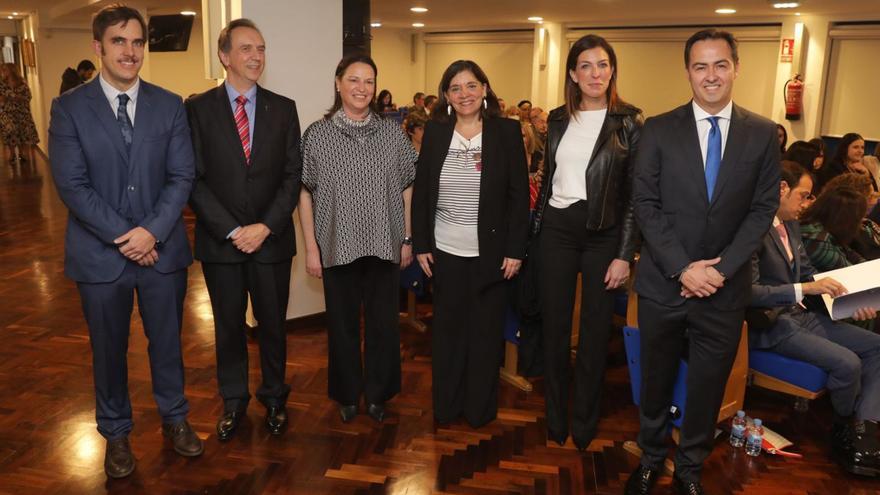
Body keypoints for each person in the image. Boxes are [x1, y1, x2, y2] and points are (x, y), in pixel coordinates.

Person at [48, 5, 203, 479]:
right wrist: (126, 236)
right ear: (98, 46)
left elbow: (182, 176)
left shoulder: (169, 104)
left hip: (162, 252)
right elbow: (72, 185)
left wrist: (151, 231)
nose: (130, 51)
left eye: (137, 42)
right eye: (119, 41)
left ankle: (175, 419)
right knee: (109, 348)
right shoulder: (69, 107)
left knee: (168, 344)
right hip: (100, 257)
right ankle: (116, 433)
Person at [628, 29, 779, 495]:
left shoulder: (761, 133)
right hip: (664, 284)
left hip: (724, 290)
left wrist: (719, 270)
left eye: (720, 65)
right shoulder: (658, 128)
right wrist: (684, 268)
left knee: (708, 388)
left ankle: (689, 471)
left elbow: (762, 208)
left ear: (736, 67)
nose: (710, 75)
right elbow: (645, 204)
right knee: (655, 382)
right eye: (700, 66)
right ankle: (652, 459)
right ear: (688, 72)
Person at [186, 18, 302, 441]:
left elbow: (293, 176)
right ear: (224, 56)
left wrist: (265, 226)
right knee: (228, 326)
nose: (256, 56)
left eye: (261, 48)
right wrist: (234, 230)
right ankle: (234, 401)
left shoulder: (283, 107)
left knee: (273, 325)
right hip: (222, 245)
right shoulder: (197, 109)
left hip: (271, 243)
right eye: (247, 48)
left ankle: (274, 398)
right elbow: (192, 178)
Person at [530, 34, 642, 451]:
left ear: (612, 71)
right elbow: (547, 183)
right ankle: (556, 419)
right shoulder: (558, 119)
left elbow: (634, 197)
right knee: (555, 329)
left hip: (604, 234)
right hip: (558, 229)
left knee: (595, 334)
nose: (596, 73)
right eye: (586, 66)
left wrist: (624, 254)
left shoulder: (630, 121)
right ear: (573, 75)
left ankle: (585, 422)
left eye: (603, 65)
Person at [299, 53, 417, 424]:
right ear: (338, 83)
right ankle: (348, 394)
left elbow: (407, 189)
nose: (362, 88)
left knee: (384, 325)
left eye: (369, 81)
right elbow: (304, 193)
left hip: (385, 243)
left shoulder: (391, 133)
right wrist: (312, 248)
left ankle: (379, 394)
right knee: (343, 325)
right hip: (337, 246)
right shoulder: (317, 135)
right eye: (354, 80)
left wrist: (407, 238)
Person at [412, 59, 529, 428]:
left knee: (484, 335)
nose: (464, 94)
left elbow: (518, 196)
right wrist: (421, 243)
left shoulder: (507, 132)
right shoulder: (435, 132)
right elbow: (423, 192)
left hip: (491, 256)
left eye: (471, 86)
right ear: (446, 95)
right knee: (447, 333)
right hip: (445, 251)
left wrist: (515, 250)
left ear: (484, 89)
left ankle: (479, 409)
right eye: (455, 88)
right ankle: (446, 407)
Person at [749, 160, 880, 477]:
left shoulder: (791, 224)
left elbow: (809, 273)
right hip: (774, 323)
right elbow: (750, 292)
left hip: (802, 315)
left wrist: (851, 300)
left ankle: (865, 432)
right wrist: (804, 287)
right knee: (848, 363)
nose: (808, 204)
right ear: (781, 190)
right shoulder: (753, 229)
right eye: (803, 195)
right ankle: (842, 429)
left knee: (876, 346)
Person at [0, 63, 40, 163]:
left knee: (24, 133)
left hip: (22, 113)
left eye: (5, 70)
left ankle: (23, 154)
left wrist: (11, 97)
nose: (3, 72)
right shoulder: (2, 84)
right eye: (2, 70)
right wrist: (13, 98)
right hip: (7, 113)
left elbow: (28, 97)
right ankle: (12, 154)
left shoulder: (22, 83)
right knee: (10, 132)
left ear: (12, 70)